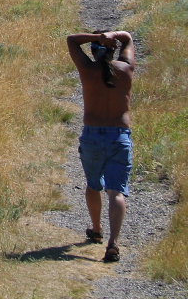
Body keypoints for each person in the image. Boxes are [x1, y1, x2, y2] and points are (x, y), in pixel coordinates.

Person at [66, 30, 135, 263]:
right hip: (119, 135)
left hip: (93, 135)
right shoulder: (125, 69)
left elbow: (71, 40)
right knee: (117, 191)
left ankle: (96, 229)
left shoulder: (87, 70)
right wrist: (113, 34)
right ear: (114, 50)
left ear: (94, 51)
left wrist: (97, 37)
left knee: (94, 185)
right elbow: (128, 38)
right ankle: (113, 243)